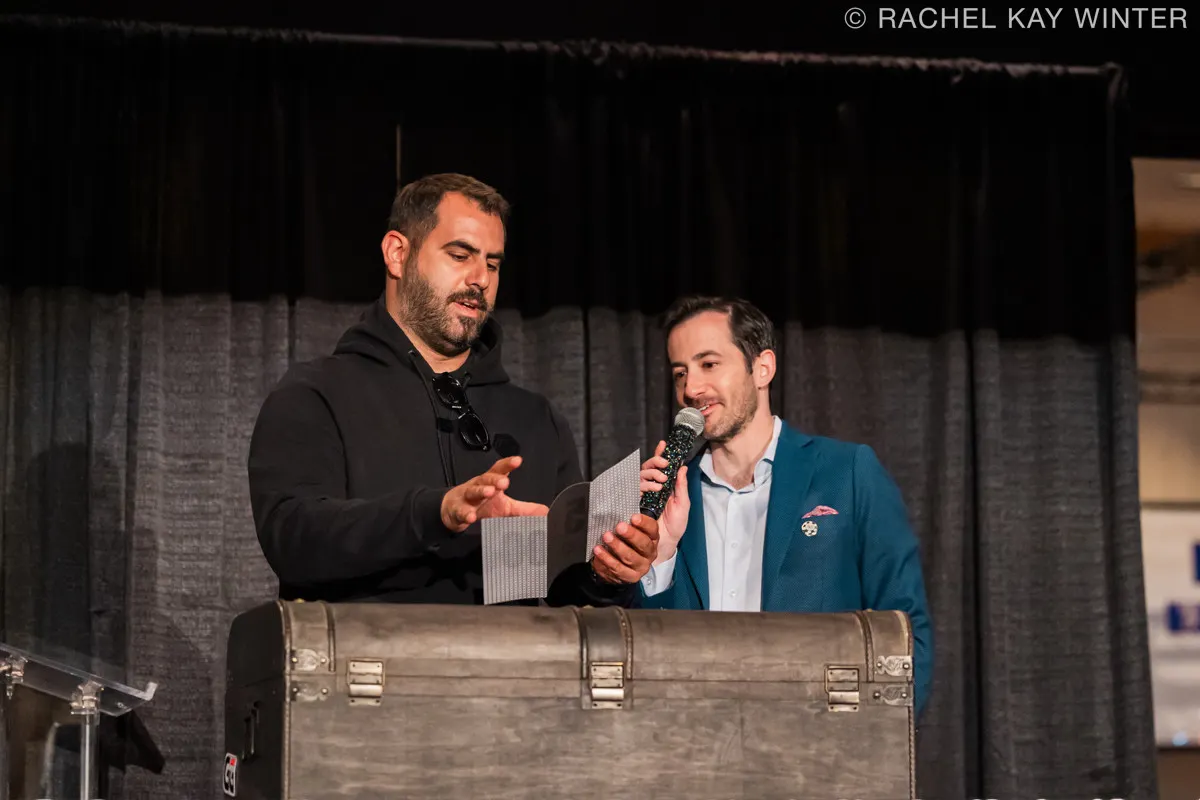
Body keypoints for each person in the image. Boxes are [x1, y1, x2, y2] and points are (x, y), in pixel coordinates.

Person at [247, 172, 658, 607]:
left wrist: (608, 574)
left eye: (493, 264)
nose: (480, 278)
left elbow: (567, 594)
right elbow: (294, 541)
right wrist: (438, 513)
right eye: (460, 255)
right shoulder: (316, 394)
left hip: (514, 653)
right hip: (368, 650)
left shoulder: (537, 420)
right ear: (397, 254)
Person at [637, 295, 933, 718]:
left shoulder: (847, 472)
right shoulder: (671, 497)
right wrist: (661, 555)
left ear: (763, 368)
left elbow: (905, 633)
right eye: (680, 372)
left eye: (709, 364)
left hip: (820, 744)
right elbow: (647, 651)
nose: (691, 389)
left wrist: (881, 741)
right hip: (698, 743)